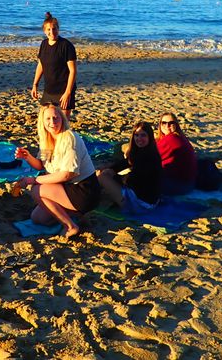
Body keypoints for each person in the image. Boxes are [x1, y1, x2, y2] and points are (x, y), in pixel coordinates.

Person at [14, 104, 100, 238]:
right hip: (67, 187)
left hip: (84, 190)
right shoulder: (47, 138)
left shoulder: (69, 138)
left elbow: (67, 174)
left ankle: (70, 226)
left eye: (56, 118)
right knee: (38, 218)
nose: (52, 122)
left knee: (37, 190)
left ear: (62, 119)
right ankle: (77, 215)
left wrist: (33, 180)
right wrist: (27, 157)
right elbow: (41, 166)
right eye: (48, 119)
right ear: (42, 122)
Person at [97, 121, 162, 209]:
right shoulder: (142, 151)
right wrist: (111, 169)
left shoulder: (149, 157)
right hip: (144, 198)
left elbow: (132, 181)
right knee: (104, 173)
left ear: (149, 137)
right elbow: (125, 163)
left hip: (142, 203)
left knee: (102, 177)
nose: (139, 138)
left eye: (143, 135)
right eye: (136, 135)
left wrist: (113, 176)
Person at [31, 12, 77, 119]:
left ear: (58, 29)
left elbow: (73, 71)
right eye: (49, 29)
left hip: (64, 90)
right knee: (45, 121)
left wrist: (67, 93)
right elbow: (41, 65)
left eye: (54, 29)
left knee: (63, 124)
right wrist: (35, 85)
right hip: (49, 90)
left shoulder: (66, 45)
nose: (52, 32)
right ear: (44, 31)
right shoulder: (44, 44)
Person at [156, 112, 198, 195]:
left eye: (171, 123)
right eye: (164, 123)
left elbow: (149, 156)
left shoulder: (171, 139)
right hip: (188, 183)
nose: (167, 126)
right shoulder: (179, 136)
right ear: (160, 125)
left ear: (176, 125)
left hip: (180, 185)